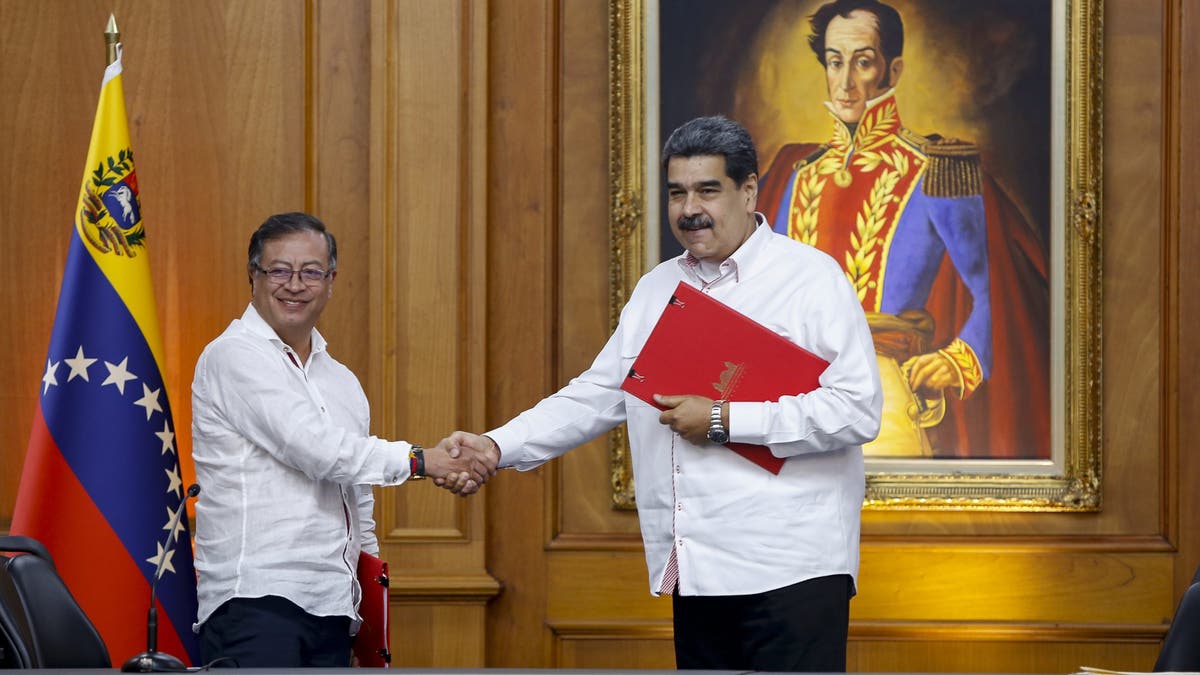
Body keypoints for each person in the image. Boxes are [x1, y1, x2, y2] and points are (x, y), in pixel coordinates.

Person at [447, 117, 882, 672]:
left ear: (748, 191)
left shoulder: (811, 279)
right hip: (697, 569)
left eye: (707, 190)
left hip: (791, 569)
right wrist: (495, 447)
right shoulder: (658, 288)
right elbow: (596, 394)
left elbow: (856, 409)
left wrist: (724, 419)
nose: (688, 209)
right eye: (677, 193)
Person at [190, 212, 496, 667]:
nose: (295, 284)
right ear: (252, 276)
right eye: (279, 270)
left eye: (311, 272)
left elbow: (357, 501)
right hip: (255, 603)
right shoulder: (233, 357)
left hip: (333, 608)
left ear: (331, 281)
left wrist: (365, 620)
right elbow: (316, 451)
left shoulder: (342, 381)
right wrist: (423, 461)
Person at [756, 0, 1049, 459]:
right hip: (786, 389)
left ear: (892, 71)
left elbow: (993, 292)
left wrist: (958, 359)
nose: (846, 82)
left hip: (882, 386)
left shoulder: (937, 169)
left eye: (863, 62)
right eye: (835, 62)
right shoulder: (794, 172)